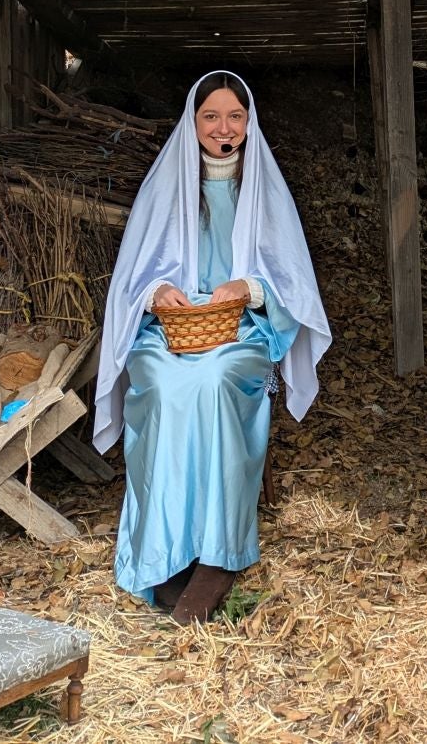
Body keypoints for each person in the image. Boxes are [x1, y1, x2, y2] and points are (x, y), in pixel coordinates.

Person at [92, 71, 331, 623]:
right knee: (167, 385)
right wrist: (158, 292)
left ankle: (217, 552)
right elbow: (133, 276)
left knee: (216, 381)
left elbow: (293, 281)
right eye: (211, 117)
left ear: (249, 123)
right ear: (192, 122)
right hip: (168, 331)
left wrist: (248, 288)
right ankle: (163, 552)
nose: (223, 128)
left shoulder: (264, 189)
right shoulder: (166, 186)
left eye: (234, 117)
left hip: (242, 331)